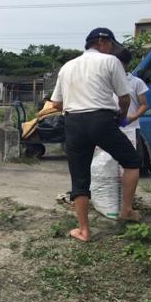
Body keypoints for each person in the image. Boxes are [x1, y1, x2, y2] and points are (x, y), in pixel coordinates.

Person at [51, 28, 142, 242]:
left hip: (73, 122)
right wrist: (121, 114)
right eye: (111, 45)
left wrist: (76, 101)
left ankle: (84, 230)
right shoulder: (111, 62)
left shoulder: (67, 66)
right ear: (102, 41)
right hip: (101, 119)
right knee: (132, 161)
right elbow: (124, 97)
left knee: (79, 178)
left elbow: (56, 103)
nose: (112, 50)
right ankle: (126, 210)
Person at [115, 49, 149, 145]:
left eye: (118, 63)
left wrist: (132, 118)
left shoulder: (136, 82)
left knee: (132, 158)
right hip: (110, 129)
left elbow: (144, 105)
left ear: (126, 64)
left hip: (131, 129)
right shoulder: (107, 82)